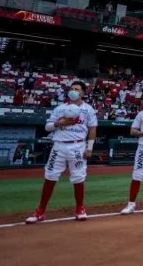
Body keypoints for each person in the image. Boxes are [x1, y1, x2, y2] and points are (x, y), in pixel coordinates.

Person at [26, 80, 97, 224]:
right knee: (50, 176)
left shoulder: (88, 109)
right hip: (59, 146)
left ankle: (80, 209)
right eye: (71, 89)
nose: (73, 91)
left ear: (83, 92)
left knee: (78, 178)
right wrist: (60, 123)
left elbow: (92, 129)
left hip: (77, 146)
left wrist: (89, 148)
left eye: (77, 89)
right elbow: (47, 127)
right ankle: (40, 211)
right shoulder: (60, 108)